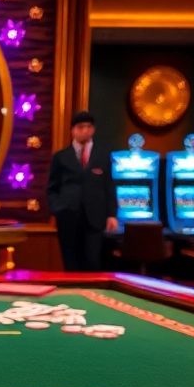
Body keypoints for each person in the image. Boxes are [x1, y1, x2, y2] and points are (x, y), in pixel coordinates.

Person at [47, 111, 118, 272]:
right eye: (81, 127)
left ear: (93, 129)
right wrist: (57, 208)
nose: (85, 130)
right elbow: (52, 187)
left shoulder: (102, 155)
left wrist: (111, 214)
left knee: (92, 261)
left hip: (95, 216)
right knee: (70, 261)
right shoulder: (61, 157)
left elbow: (108, 185)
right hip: (68, 215)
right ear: (73, 130)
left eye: (88, 127)